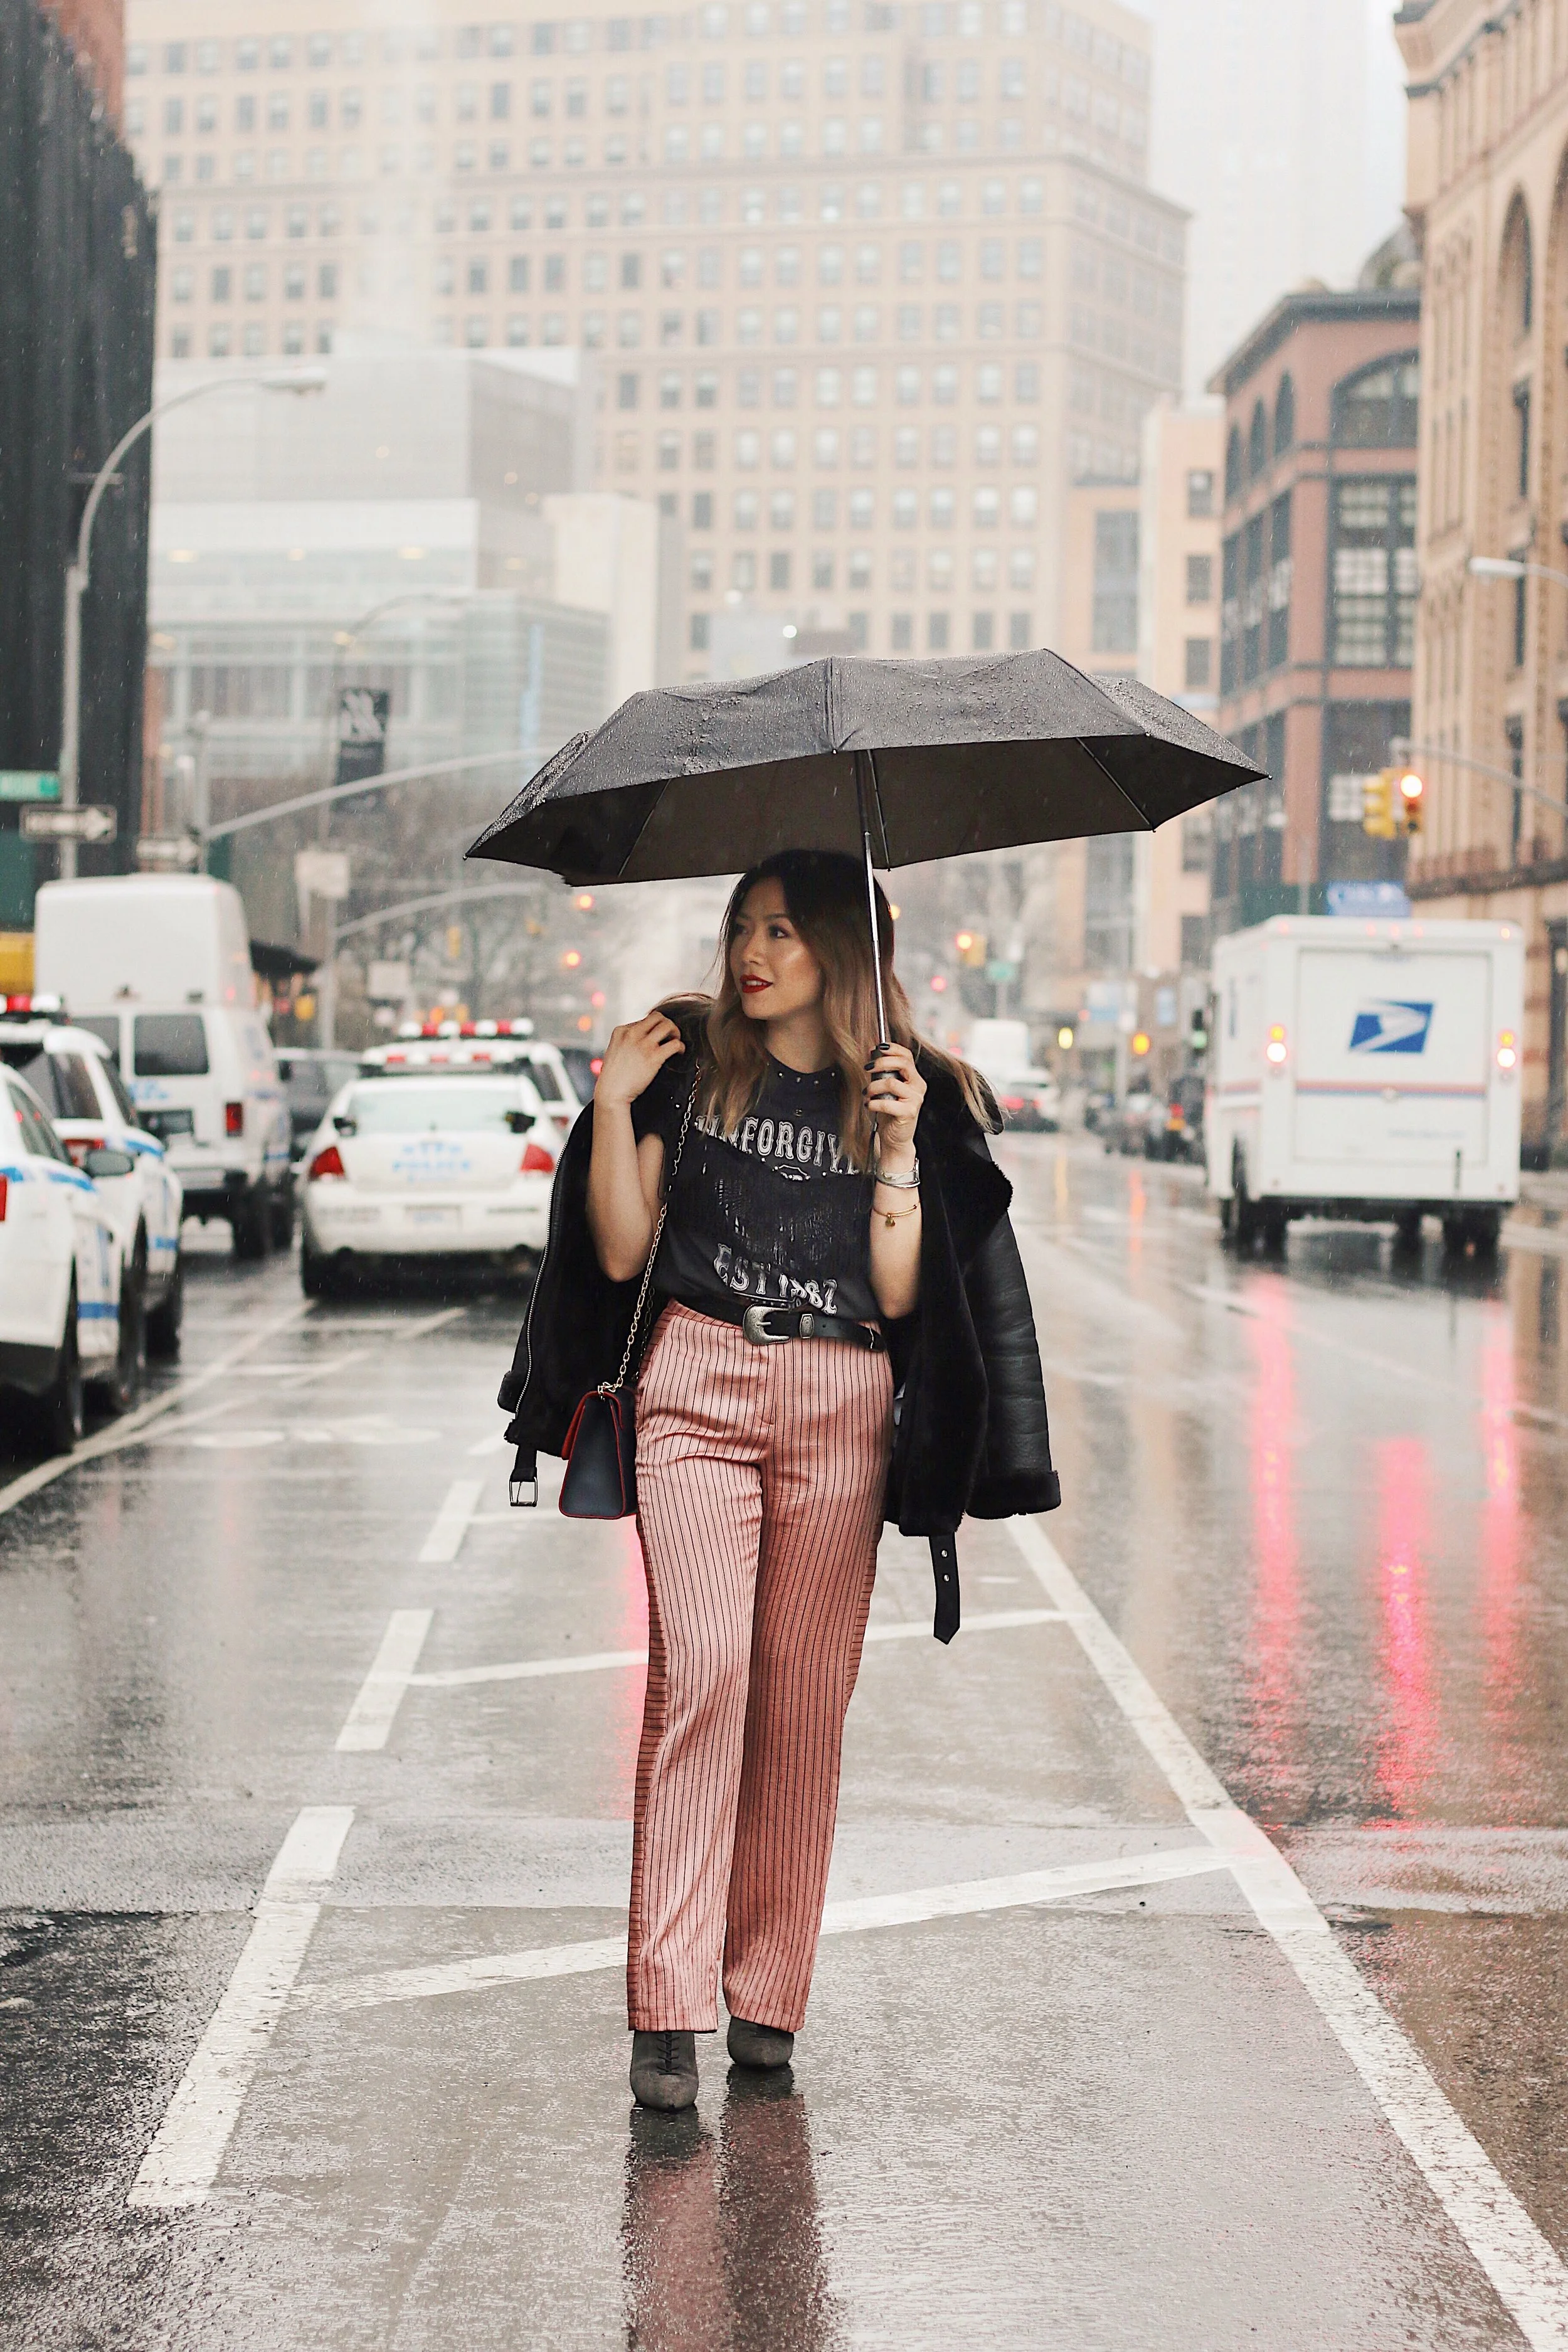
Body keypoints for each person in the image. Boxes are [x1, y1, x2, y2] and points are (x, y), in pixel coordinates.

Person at [499, 849, 1059, 2111]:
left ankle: (767, 1991)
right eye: (741, 929)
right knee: (703, 1673)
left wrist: (904, 1148)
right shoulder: (689, 1068)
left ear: (841, 957)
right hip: (694, 1383)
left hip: (839, 1398)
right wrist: (611, 1099)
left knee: (803, 1706)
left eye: (782, 934)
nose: (751, 954)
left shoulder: (906, 1094)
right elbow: (619, 1244)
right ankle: (664, 2003)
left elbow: (909, 1295)